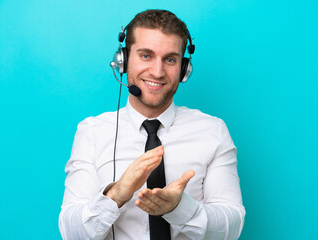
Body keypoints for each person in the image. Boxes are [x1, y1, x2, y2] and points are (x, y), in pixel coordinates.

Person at [59, 9, 245, 240]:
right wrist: (115, 195)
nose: (157, 72)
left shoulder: (213, 131)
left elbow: (232, 228)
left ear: (184, 69)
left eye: (169, 59)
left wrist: (180, 209)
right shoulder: (91, 132)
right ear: (123, 61)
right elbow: (71, 233)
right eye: (146, 56)